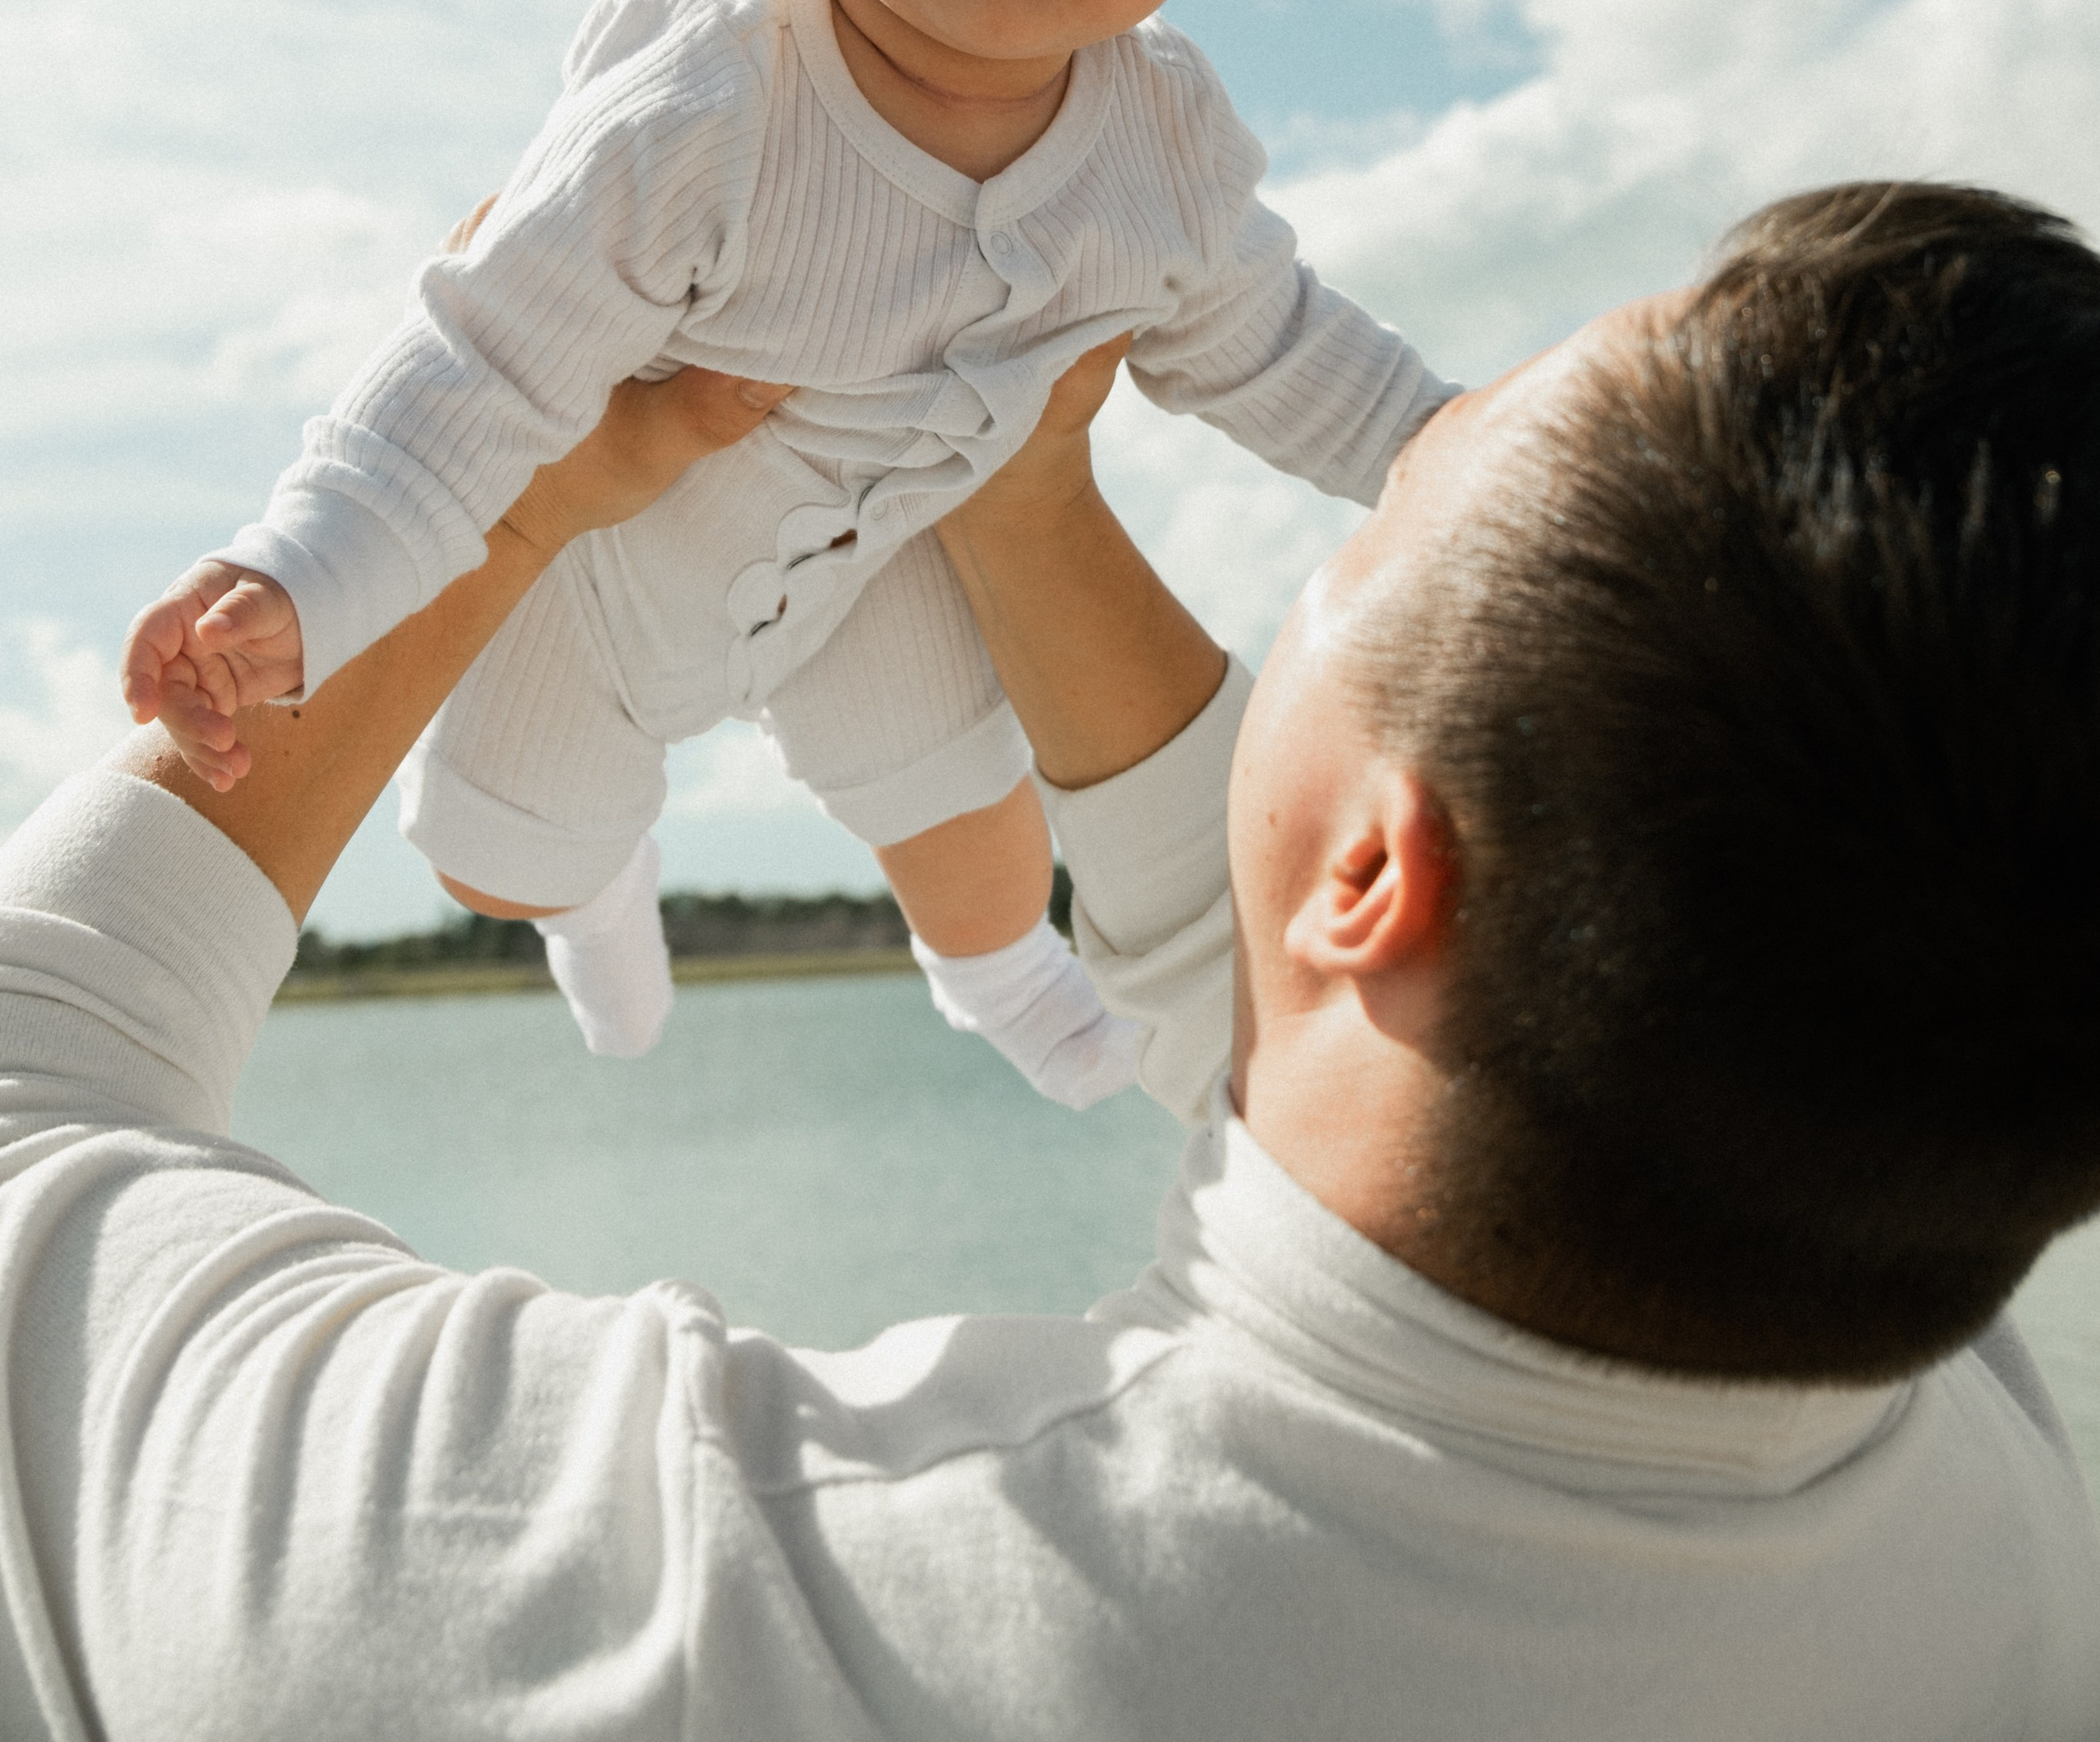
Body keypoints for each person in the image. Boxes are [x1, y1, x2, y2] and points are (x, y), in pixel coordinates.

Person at [7, 176, 2098, 1737]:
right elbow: (1397, 1011)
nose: (1325, 564)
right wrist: (1013, 485)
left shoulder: (688, 1608)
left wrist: (504, 480)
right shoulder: (1980, 1496)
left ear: (1374, 879)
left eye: (1365, 537)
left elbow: (30, 1101)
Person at [117, 0, 1449, 1090]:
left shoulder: (1161, 154)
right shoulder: (705, 98)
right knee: (496, 850)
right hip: (606, 547)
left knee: (967, 814)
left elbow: (1304, 362)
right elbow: (468, 365)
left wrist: (1497, 469)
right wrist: (297, 574)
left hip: (884, 547)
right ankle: (601, 899)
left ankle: (999, 988)